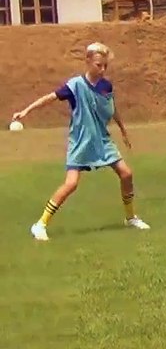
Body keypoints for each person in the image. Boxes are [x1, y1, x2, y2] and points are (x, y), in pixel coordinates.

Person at [10, 42, 151, 241]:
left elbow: (112, 109)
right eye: (98, 65)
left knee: (126, 174)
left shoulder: (105, 86)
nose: (102, 70)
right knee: (71, 184)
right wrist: (26, 111)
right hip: (81, 142)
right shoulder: (75, 85)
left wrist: (123, 130)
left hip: (102, 140)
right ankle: (40, 224)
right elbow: (49, 97)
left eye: (105, 66)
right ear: (87, 62)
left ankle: (130, 218)